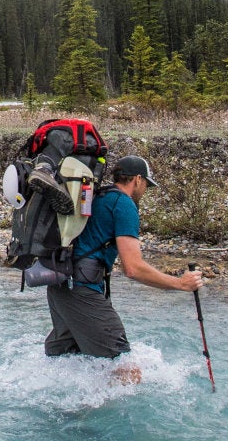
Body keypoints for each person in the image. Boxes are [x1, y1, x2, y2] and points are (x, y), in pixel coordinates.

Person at [44, 154, 203, 377]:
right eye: (146, 184)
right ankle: (103, 413)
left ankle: (65, 411)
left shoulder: (95, 196)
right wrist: (180, 284)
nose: (145, 190)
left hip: (60, 287)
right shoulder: (124, 204)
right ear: (137, 179)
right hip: (83, 291)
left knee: (71, 365)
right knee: (127, 372)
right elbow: (133, 268)